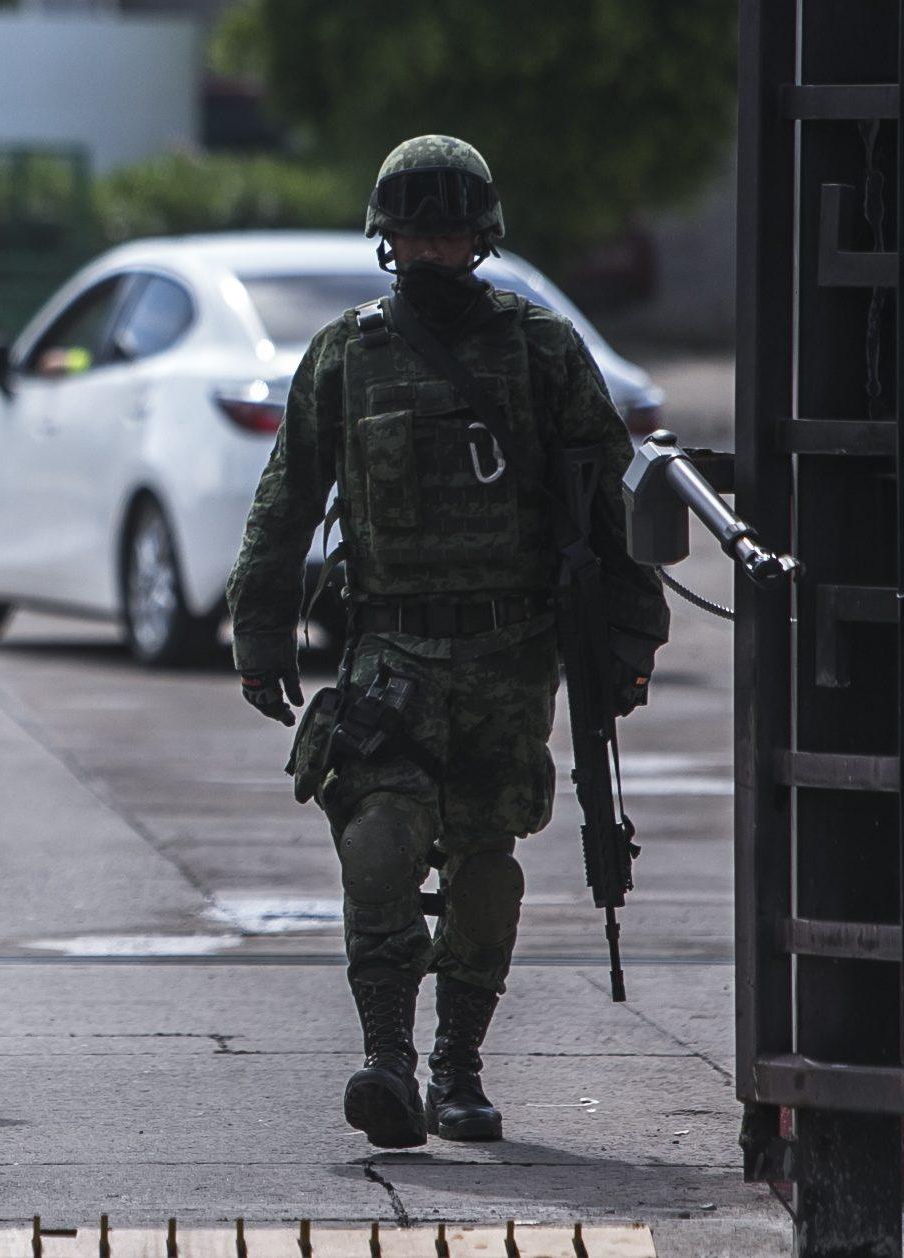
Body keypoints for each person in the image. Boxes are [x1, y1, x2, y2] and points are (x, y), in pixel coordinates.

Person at [226, 135, 667, 1150]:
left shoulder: (543, 348)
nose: (431, 250)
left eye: (450, 231)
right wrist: (261, 631)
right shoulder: (346, 352)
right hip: (390, 650)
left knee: (483, 870)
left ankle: (456, 1064)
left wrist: (632, 636)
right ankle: (385, 1059)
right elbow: (285, 495)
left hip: (511, 657)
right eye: (414, 232)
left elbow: (609, 497)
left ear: (480, 237)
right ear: (386, 242)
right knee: (376, 844)